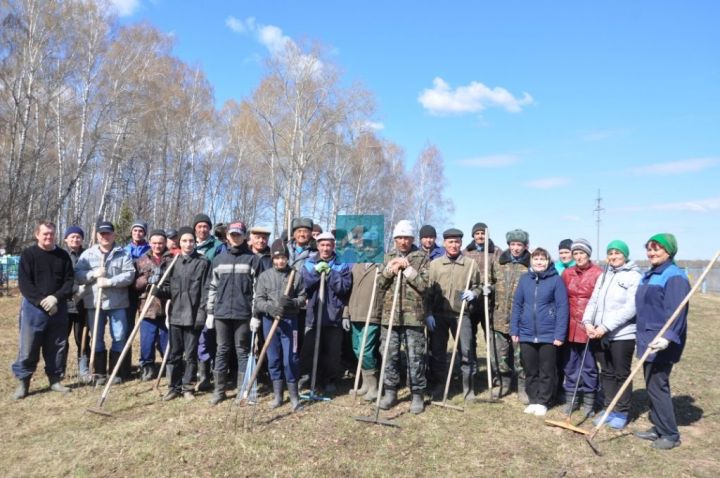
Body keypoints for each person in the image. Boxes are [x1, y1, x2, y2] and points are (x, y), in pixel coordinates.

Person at [633, 233, 690, 450]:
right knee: (651, 384)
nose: (652, 252)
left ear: (669, 251)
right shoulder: (650, 274)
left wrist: (667, 338)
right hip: (647, 337)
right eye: (649, 248)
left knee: (658, 385)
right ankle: (658, 427)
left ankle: (670, 434)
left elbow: (677, 312)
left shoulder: (674, 276)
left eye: (657, 248)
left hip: (662, 341)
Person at [12, 221, 75, 399]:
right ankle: (23, 383)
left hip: (58, 308)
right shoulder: (29, 254)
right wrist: (41, 301)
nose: (49, 237)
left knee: (57, 345)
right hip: (33, 309)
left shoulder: (62, 256)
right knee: (29, 346)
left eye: (51, 234)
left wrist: (56, 298)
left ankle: (55, 380)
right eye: (45, 234)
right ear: (37, 235)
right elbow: (25, 283)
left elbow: (69, 281)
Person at [584, 240, 641, 430]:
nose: (613, 256)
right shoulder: (604, 275)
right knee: (606, 372)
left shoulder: (634, 276)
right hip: (599, 333)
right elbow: (593, 301)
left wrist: (606, 326)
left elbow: (631, 308)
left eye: (617, 253)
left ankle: (622, 411)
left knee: (620, 373)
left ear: (625, 255)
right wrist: (588, 323)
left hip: (622, 335)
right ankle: (608, 408)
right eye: (611, 253)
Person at [376, 220, 430, 414]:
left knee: (415, 356)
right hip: (390, 315)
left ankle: (417, 394)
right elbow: (380, 285)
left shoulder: (421, 257)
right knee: (389, 354)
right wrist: (390, 270)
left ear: (412, 239)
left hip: (413, 316)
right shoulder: (387, 256)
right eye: (399, 238)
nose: (403, 242)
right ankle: (390, 392)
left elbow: (425, 285)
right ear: (395, 239)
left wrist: (407, 270)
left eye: (406, 238)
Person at [206, 222, 261, 405]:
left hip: (243, 314)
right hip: (221, 313)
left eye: (239, 234)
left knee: (242, 351)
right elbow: (212, 287)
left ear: (244, 236)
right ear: (227, 237)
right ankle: (219, 391)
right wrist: (210, 312)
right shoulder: (218, 259)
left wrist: (255, 315)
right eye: (232, 235)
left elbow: (257, 291)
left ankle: (243, 391)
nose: (235, 237)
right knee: (221, 350)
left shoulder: (253, 260)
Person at [425, 228, 483, 401]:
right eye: (450, 242)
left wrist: (475, 293)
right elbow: (427, 291)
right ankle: (439, 384)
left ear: (461, 243)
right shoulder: (435, 264)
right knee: (437, 352)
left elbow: (478, 285)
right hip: (438, 315)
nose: (454, 245)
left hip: (461, 315)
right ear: (444, 243)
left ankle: (468, 388)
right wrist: (428, 313)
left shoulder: (470, 264)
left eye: (457, 242)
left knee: (466, 351)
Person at [75, 221, 136, 385]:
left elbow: (129, 275)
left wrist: (110, 282)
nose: (105, 237)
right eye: (102, 234)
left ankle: (115, 372)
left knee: (119, 336)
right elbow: (78, 275)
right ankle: (100, 373)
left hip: (117, 303)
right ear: (97, 236)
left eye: (108, 233)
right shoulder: (88, 255)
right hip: (95, 303)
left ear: (113, 235)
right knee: (97, 338)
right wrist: (93, 274)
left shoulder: (122, 254)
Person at [510, 247, 568, 417]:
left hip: (548, 334)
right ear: (531, 261)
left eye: (543, 259)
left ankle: (544, 401)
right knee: (530, 369)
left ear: (548, 261)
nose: (539, 262)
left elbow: (562, 307)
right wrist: (515, 328)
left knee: (547, 370)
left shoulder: (555, 280)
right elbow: (517, 305)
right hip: (527, 333)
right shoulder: (524, 279)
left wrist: (559, 334)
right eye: (536, 259)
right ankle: (533, 399)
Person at [253, 239, 306, 410]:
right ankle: (277, 396)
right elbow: (258, 301)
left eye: (283, 257)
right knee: (274, 358)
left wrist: (292, 303)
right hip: (270, 322)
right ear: (272, 258)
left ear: (287, 258)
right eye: (276, 258)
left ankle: (294, 396)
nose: (280, 261)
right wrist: (270, 308)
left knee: (291, 358)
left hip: (291, 322)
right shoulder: (265, 276)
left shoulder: (295, 276)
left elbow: (303, 298)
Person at [158, 227, 210, 401]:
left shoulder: (202, 262)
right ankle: (173, 387)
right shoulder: (173, 262)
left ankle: (188, 387)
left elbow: (206, 290)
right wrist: (157, 289)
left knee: (190, 353)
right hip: (175, 315)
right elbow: (166, 288)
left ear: (195, 242)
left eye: (191, 241)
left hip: (193, 316)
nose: (188, 244)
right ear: (179, 243)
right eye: (184, 241)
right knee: (174, 353)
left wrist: (202, 315)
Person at [300, 231, 352, 394]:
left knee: (332, 351)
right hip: (314, 314)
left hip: (333, 315)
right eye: (322, 245)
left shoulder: (341, 265)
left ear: (333, 246)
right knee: (309, 349)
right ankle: (310, 379)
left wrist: (331, 274)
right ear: (317, 245)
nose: (325, 248)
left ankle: (330, 380)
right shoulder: (309, 263)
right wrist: (316, 272)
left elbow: (344, 288)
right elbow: (304, 285)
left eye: (329, 245)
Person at [561, 238, 603, 416]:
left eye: (582, 253)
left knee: (589, 365)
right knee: (571, 364)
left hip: (589, 326)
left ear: (588, 254)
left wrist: (595, 324)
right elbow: (562, 298)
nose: (578, 256)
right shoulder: (567, 273)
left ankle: (589, 401)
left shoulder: (598, 273)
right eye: (575, 253)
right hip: (570, 324)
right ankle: (572, 399)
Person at [491, 229, 531, 402]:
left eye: (519, 245)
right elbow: (492, 283)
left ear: (525, 246)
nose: (515, 248)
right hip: (499, 315)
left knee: (520, 356)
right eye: (513, 244)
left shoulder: (530, 265)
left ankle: (522, 387)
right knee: (500, 355)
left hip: (521, 319)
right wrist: (488, 289)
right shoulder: (499, 262)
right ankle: (503, 383)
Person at [464, 222, 502, 392]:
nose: (480, 236)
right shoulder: (466, 253)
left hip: (489, 303)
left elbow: (499, 277)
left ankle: (496, 374)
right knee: (469, 339)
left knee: (492, 340)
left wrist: (491, 288)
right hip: (471, 303)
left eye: (483, 233)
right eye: (477, 233)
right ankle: (471, 373)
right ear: (473, 235)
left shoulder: (496, 252)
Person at [134, 229, 173, 381]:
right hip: (147, 308)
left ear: (165, 243)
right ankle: (147, 367)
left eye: (161, 243)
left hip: (167, 308)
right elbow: (135, 284)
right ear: (150, 243)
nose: (157, 246)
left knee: (166, 340)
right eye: (155, 243)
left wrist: (164, 282)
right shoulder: (142, 260)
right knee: (147, 341)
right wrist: (146, 279)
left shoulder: (172, 260)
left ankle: (169, 365)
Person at [345, 260, 383, 401]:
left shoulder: (381, 266)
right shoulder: (356, 266)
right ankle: (365, 384)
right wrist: (345, 313)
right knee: (357, 350)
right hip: (355, 314)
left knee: (365, 351)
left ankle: (373, 387)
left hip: (371, 315)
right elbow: (349, 291)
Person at [193, 212, 220, 390]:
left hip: (207, 294)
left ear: (209, 228)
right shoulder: (188, 244)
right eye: (199, 226)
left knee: (205, 336)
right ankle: (192, 370)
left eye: (205, 226)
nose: (202, 229)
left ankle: (205, 375)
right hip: (188, 297)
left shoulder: (217, 246)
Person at [62, 225, 91, 383]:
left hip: (83, 305)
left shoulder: (88, 255)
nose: (75, 239)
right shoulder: (61, 255)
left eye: (78, 237)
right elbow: (60, 278)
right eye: (72, 236)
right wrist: (74, 289)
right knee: (61, 338)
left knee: (83, 338)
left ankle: (84, 369)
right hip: (64, 304)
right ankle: (60, 368)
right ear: (66, 239)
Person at [123, 219, 150, 380]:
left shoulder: (149, 250)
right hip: (127, 294)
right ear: (131, 232)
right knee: (127, 330)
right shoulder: (124, 250)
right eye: (135, 230)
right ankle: (124, 366)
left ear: (144, 233)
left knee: (146, 331)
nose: (138, 233)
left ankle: (146, 364)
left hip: (145, 295)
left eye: (141, 231)